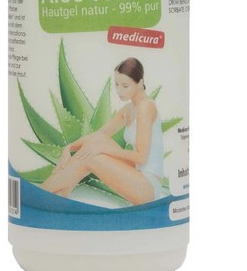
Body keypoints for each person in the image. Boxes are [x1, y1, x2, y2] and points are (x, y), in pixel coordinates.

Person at [41, 58, 165, 205]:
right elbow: (98, 135)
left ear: (140, 83)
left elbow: (142, 158)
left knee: (92, 156)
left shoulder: (146, 107)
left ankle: (42, 191)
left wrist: (105, 149)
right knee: (96, 141)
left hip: (148, 186)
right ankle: (61, 195)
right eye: (116, 84)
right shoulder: (128, 109)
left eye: (125, 86)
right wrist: (69, 148)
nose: (119, 91)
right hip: (136, 174)